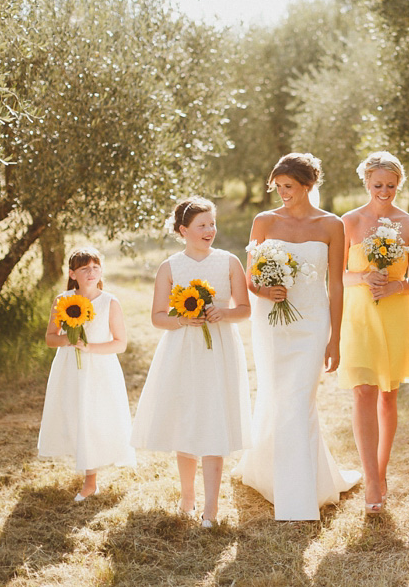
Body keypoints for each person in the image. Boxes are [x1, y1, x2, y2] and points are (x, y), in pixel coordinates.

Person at [233, 153, 360, 521]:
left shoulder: (332, 225)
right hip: (272, 322)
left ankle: (298, 496)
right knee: (277, 395)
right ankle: (275, 474)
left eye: (288, 187)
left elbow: (335, 285)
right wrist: (264, 291)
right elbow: (250, 278)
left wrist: (334, 338)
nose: (283, 193)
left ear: (308, 185)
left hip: (312, 321)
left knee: (300, 398)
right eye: (278, 187)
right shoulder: (264, 221)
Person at [130, 197, 251, 528]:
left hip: (219, 350)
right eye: (202, 225)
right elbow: (157, 317)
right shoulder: (170, 267)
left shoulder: (229, 262)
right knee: (186, 420)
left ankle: (210, 510)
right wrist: (182, 319)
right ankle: (187, 496)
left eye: (212, 223)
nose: (210, 230)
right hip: (182, 351)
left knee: (214, 421)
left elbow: (245, 309)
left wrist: (222, 312)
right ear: (183, 230)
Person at [339, 151, 409, 513]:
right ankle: (371, 478)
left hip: (393, 314)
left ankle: (382, 469)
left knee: (388, 396)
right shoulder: (348, 222)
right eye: (378, 185)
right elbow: (337, 275)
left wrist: (395, 287)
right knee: (362, 391)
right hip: (358, 316)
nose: (384, 191)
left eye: (391, 185)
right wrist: (361, 277)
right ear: (366, 183)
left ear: (398, 184)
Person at [38, 246, 136, 501]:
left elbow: (120, 343)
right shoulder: (63, 300)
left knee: (94, 417)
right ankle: (84, 464)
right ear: (72, 274)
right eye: (84, 269)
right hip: (70, 368)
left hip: (100, 369)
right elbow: (50, 338)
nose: (91, 272)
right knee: (74, 414)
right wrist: (68, 341)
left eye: (95, 267)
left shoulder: (110, 302)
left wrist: (89, 346)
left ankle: (90, 481)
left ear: (101, 270)